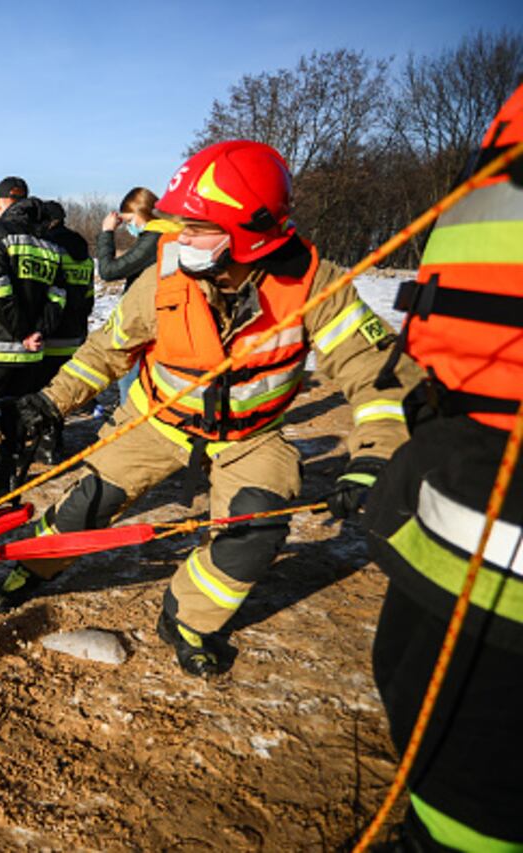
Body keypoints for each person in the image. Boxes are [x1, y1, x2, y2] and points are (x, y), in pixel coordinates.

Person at [0, 140, 422, 679]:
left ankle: (189, 619)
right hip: (157, 422)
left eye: (196, 228)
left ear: (249, 235)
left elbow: (376, 372)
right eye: (178, 225)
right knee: (87, 505)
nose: (179, 238)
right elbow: (109, 348)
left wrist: (377, 458)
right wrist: (49, 402)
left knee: (252, 532)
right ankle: (31, 568)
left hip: (251, 438)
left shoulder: (313, 284)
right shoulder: (164, 277)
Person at [362, 82, 523, 852]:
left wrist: (368, 451)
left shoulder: (304, 279)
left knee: (482, 766)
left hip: (485, 451)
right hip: (463, 433)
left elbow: (361, 369)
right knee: (425, 674)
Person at [0, 177, 63, 501]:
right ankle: (3, 482)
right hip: (31, 353)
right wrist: (38, 332)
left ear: (2, 204)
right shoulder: (49, 243)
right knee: (16, 421)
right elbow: (58, 297)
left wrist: (20, 332)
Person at [98, 188, 183, 403]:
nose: (128, 227)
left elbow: (109, 270)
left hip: (145, 318)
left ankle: (131, 420)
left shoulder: (154, 238)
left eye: (128, 221)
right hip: (166, 315)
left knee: (130, 379)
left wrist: (107, 233)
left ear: (140, 213)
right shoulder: (174, 233)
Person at [38, 200, 95, 464]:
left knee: (47, 390)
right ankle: (55, 441)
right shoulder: (83, 254)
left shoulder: (49, 248)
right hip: (74, 334)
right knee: (62, 389)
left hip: (51, 333)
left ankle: (47, 444)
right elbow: (90, 297)